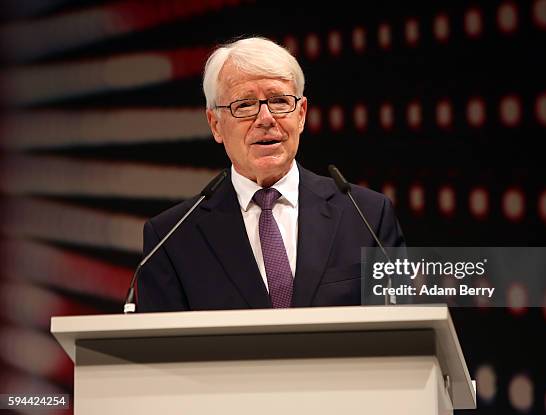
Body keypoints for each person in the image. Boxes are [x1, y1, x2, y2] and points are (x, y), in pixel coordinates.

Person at [137, 37, 405, 312]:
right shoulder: (171, 238)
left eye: (279, 101)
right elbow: (162, 349)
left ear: (301, 115)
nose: (265, 118)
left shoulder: (367, 215)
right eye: (244, 105)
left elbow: (404, 332)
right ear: (215, 124)